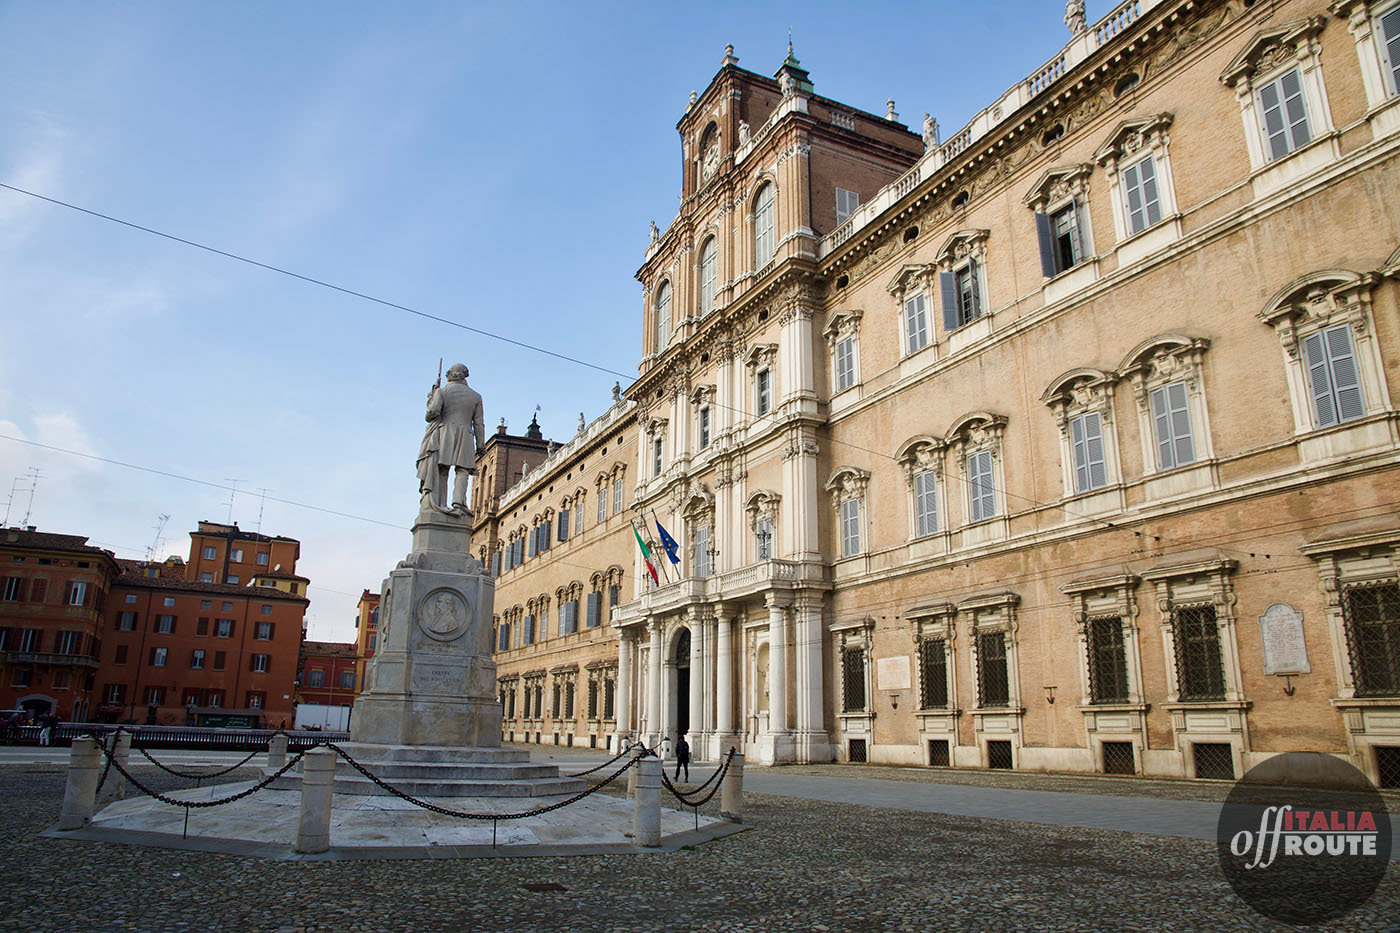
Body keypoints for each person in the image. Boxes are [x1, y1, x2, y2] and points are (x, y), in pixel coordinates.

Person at [417, 363, 486, 512]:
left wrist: (431, 397)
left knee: (442, 469)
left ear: (451, 375)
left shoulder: (442, 392)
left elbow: (431, 413)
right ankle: (457, 503)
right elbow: (479, 423)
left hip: (445, 432)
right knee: (463, 470)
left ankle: (441, 504)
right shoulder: (476, 396)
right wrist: (481, 445)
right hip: (466, 435)